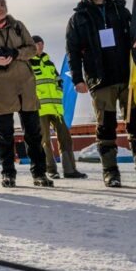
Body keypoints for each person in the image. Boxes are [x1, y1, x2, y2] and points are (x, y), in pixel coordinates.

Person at [66, 0, 136, 188]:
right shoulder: (79, 18)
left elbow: (134, 34)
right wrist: (78, 79)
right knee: (106, 126)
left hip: (127, 77)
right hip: (100, 80)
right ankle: (111, 173)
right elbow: (73, 51)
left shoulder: (118, 9)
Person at [0, 0, 54, 188]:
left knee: (33, 133)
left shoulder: (18, 26)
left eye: (3, 4)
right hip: (0, 88)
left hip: (25, 85)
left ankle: (39, 173)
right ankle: (8, 173)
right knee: (5, 135)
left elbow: (32, 49)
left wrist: (16, 53)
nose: (1, 8)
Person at [29, 36, 86, 179]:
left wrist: (60, 91)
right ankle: (51, 170)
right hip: (39, 109)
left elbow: (58, 81)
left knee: (66, 138)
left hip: (56, 109)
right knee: (45, 140)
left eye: (42, 43)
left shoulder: (49, 64)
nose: (40, 46)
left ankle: (70, 170)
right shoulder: (28, 64)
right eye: (37, 43)